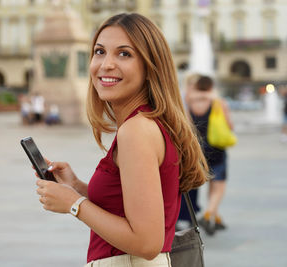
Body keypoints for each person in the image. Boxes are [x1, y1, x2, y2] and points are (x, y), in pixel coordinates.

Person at [34, 13, 209, 266]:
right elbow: (127, 208)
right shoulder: (147, 124)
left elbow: (147, 243)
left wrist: (74, 204)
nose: (106, 64)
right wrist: (77, 187)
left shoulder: (136, 131)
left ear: (150, 67)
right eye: (100, 51)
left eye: (124, 53)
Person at [185, 75, 233, 235]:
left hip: (199, 149)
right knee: (218, 185)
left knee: (209, 182)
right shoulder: (218, 102)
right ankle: (207, 215)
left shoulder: (190, 102)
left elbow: (188, 126)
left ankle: (214, 217)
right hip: (217, 148)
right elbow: (229, 125)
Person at [176, 73, 202, 230]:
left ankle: (190, 214)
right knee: (187, 181)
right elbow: (187, 123)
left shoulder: (190, 97)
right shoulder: (184, 97)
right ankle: (183, 216)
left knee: (192, 181)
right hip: (187, 145)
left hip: (192, 145)